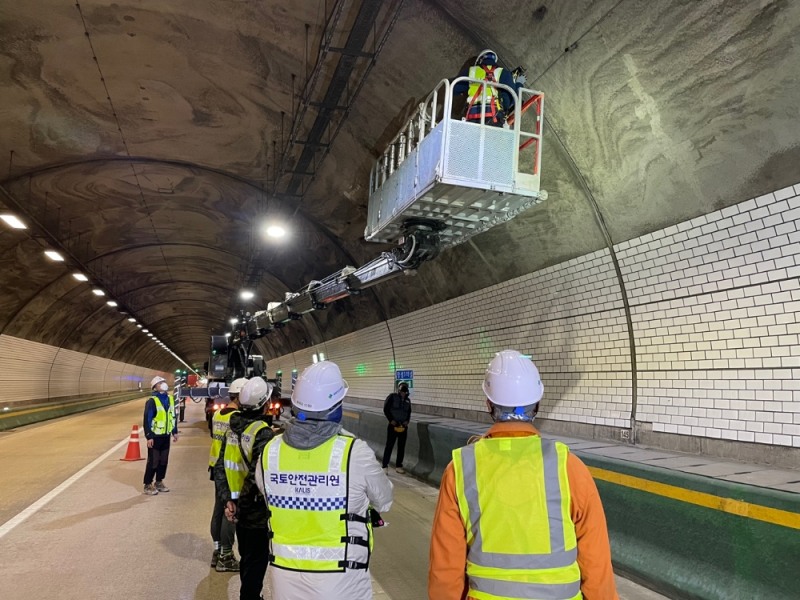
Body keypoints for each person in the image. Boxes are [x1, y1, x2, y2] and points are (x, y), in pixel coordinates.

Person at [428, 350, 618, 600]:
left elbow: (446, 568)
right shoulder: (569, 467)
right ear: (537, 404)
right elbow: (597, 563)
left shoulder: (461, 469)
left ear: (488, 404)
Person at [255, 360, 394, 600]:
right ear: (336, 405)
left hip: (284, 576)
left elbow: (267, 494)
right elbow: (384, 500)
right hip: (342, 578)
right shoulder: (354, 453)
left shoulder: (270, 452)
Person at [220, 377, 276, 600]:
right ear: (264, 404)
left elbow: (220, 467)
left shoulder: (232, 427)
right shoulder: (262, 433)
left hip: (236, 505)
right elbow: (255, 479)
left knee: (247, 558)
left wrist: (228, 501)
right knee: (256, 561)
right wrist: (241, 507)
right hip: (254, 512)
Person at [208, 377, 246, 572]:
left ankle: (217, 552)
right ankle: (226, 556)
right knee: (230, 513)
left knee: (218, 509)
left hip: (215, 467)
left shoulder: (218, 415)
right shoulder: (236, 418)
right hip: (230, 471)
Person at [453, 49, 526, 126]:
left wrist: (466, 91)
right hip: (494, 120)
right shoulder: (504, 73)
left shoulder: (471, 71)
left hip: (472, 118)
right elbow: (511, 99)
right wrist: (519, 84)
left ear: (480, 61)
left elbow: (454, 89)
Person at [142, 376, 178, 495]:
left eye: (163, 382)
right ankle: (148, 484)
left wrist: (174, 431)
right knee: (154, 461)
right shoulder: (152, 401)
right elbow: (147, 419)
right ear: (155, 387)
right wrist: (149, 436)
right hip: (155, 436)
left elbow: (173, 416)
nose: (163, 384)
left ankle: (159, 482)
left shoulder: (170, 399)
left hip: (165, 436)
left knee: (164, 460)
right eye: (160, 383)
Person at [381, 382, 412, 474]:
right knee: (389, 446)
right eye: (402, 391)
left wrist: (407, 421)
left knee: (401, 447)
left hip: (403, 426)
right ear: (399, 390)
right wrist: (391, 420)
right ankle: (384, 466)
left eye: (405, 392)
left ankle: (399, 466)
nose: (403, 393)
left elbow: (409, 412)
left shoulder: (408, 401)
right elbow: (386, 409)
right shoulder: (392, 397)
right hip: (393, 426)